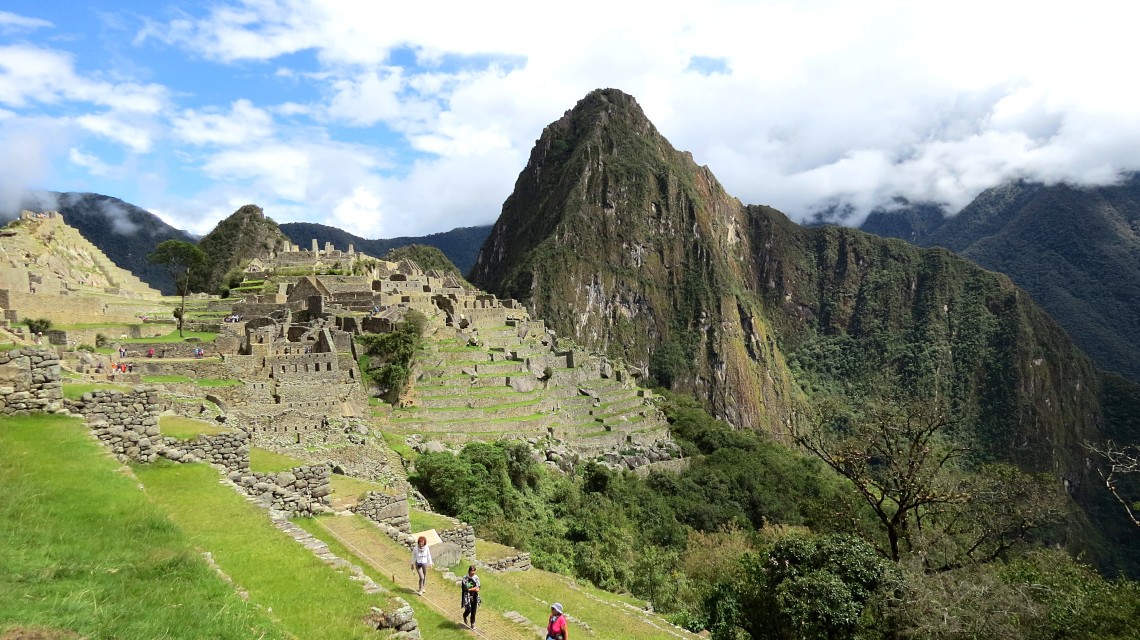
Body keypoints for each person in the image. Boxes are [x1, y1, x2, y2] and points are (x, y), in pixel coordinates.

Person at [461, 565, 481, 629]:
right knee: (469, 609)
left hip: (475, 596)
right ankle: (465, 615)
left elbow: (478, 588)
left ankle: (472, 623)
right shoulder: (465, 578)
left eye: (474, 572)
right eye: (472, 572)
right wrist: (473, 588)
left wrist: (474, 589)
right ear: (469, 571)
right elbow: (465, 589)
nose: (473, 574)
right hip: (467, 596)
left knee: (473, 610)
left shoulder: (476, 578)